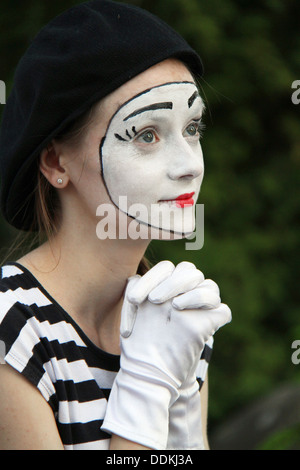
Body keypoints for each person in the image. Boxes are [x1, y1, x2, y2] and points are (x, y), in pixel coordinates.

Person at [0, 0, 231, 450]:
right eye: (147, 135)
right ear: (54, 161)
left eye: (193, 127)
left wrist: (181, 410)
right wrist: (148, 382)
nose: (189, 166)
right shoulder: (12, 328)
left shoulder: (173, 319)